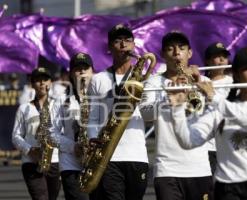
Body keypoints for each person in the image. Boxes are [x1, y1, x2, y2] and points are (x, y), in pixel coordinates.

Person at [168, 46, 247, 200]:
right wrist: (177, 109)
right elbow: (188, 141)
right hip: (228, 187)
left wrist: (214, 97)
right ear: (236, 74)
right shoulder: (221, 108)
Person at [140, 31, 213, 200]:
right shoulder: (154, 82)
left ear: (190, 53)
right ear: (163, 55)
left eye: (181, 48)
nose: (176, 53)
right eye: (170, 49)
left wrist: (204, 91)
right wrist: (168, 98)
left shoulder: (202, 80)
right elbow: (145, 114)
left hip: (200, 167)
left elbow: (218, 115)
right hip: (167, 168)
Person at [87, 24, 149, 200]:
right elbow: (93, 116)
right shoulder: (98, 79)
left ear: (134, 45)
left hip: (137, 155)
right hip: (109, 157)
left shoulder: (146, 79)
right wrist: (92, 136)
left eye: (128, 40)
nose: (123, 44)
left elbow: (151, 113)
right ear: (109, 47)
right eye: (117, 40)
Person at [12, 67, 60, 200]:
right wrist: (29, 150)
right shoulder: (24, 108)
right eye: (38, 80)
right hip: (31, 162)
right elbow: (16, 136)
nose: (42, 83)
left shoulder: (58, 106)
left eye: (45, 80)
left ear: (50, 82)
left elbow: (63, 132)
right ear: (32, 84)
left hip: (54, 161)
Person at [50, 53, 94, 200]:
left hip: (97, 161)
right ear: (71, 73)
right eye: (77, 68)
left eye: (85, 68)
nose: (82, 72)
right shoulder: (61, 100)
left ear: (92, 72)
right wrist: (72, 146)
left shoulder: (101, 98)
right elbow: (51, 132)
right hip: (71, 163)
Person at [203, 42, 233, 174]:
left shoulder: (234, 83)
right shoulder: (199, 81)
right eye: (217, 56)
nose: (222, 60)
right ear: (208, 61)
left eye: (224, 57)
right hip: (204, 146)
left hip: (227, 145)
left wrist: (211, 96)